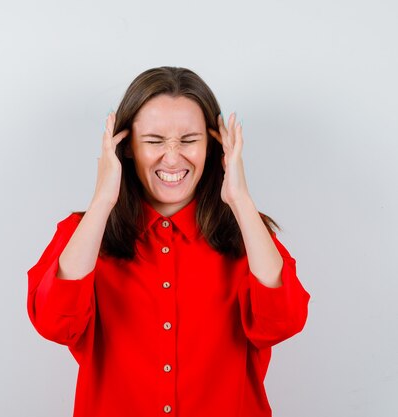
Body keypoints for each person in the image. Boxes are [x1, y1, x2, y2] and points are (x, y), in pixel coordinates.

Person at [27, 66, 310, 417]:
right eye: (154, 141)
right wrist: (102, 199)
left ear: (215, 147)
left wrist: (240, 199)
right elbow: (55, 324)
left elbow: (283, 322)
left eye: (189, 140)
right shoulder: (84, 234)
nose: (173, 157)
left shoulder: (247, 235)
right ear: (125, 147)